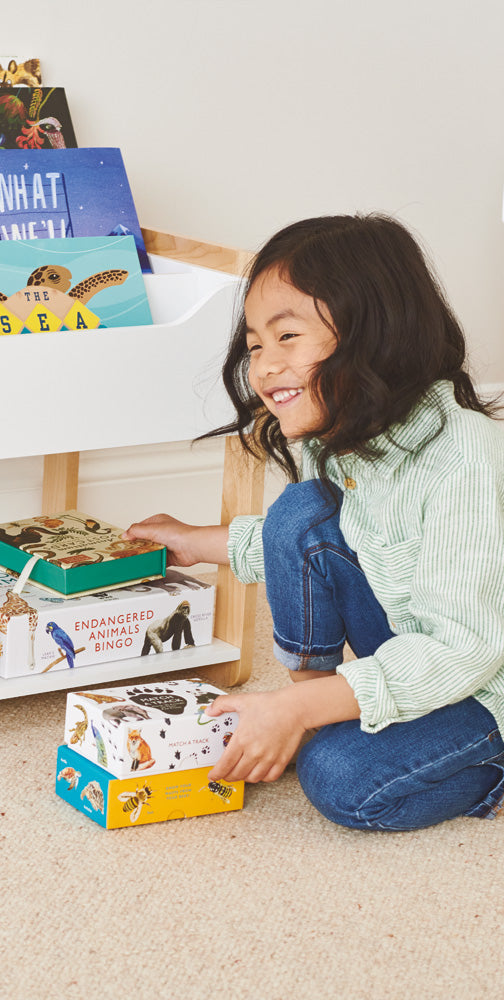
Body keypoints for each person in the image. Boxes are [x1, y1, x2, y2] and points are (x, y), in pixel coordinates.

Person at [125, 213, 504, 831]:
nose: (265, 366)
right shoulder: (339, 435)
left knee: (342, 779)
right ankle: (313, 696)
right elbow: (313, 542)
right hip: (412, 653)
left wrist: (299, 712)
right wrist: (195, 543)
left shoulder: (463, 456)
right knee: (302, 512)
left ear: (372, 335)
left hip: (484, 683)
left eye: (287, 338)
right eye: (254, 345)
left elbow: (465, 648)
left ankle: (469, 757)